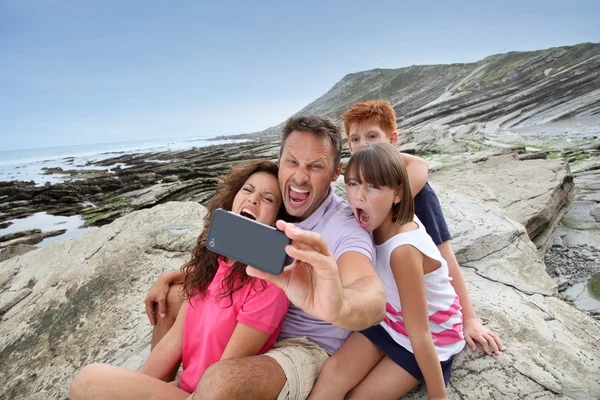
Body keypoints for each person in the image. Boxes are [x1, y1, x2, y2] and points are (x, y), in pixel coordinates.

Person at [146, 115, 428, 400]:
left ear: (335, 172)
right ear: (279, 160)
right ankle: (164, 387)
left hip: (301, 345)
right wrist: (180, 275)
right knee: (170, 300)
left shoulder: (344, 228)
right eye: (292, 162)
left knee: (223, 378)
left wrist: (339, 307)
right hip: (258, 321)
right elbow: (228, 261)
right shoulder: (274, 202)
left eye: (315, 166)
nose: (300, 177)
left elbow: (369, 292)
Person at [69, 160, 290, 400]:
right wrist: (133, 387)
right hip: (184, 389)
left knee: (88, 381)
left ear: (276, 219)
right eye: (247, 190)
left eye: (268, 199)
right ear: (234, 196)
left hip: (207, 394)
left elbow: (225, 373)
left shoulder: (269, 284)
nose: (254, 199)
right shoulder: (211, 262)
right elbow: (176, 338)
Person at [342, 100, 504, 356]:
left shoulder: (417, 195)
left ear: (392, 139)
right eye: (355, 139)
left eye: (372, 136)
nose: (362, 145)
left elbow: (445, 254)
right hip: (385, 312)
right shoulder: (358, 191)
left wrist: (469, 319)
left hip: (420, 320)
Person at [310, 143, 465, 399]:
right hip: (389, 320)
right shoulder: (372, 220)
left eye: (373, 187)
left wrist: (438, 395)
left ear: (398, 194)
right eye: (352, 184)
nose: (359, 196)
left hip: (430, 337)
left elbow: (420, 332)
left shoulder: (402, 251)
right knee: (331, 375)